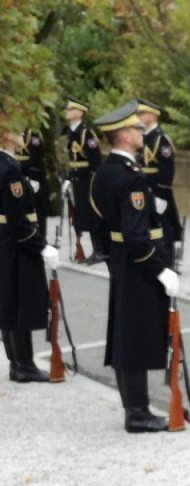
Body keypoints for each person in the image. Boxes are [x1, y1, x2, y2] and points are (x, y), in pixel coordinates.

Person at [90, 100, 181, 432]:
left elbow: (98, 222)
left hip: (120, 261)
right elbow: (136, 236)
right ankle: (138, 414)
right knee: (136, 335)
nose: (142, 131)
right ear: (124, 135)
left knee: (125, 333)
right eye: (136, 128)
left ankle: (134, 408)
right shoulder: (131, 178)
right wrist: (160, 269)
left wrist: (111, 256)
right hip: (139, 264)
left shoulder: (104, 172)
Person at [1, 124, 60, 382]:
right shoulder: (10, 169)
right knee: (19, 303)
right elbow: (18, 221)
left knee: (8, 302)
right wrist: (41, 246)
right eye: (16, 129)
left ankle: (16, 363)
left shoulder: (6, 163)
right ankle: (24, 364)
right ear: (5, 134)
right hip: (17, 244)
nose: (22, 134)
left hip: (5, 241)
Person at [136, 99, 183, 250]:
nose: (138, 117)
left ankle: (168, 254)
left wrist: (162, 194)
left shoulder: (161, 139)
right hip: (144, 187)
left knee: (164, 224)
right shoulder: (141, 137)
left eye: (142, 113)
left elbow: (167, 169)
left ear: (153, 115)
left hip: (158, 188)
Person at [63, 97, 104, 264]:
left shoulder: (86, 134)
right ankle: (89, 250)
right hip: (77, 179)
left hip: (87, 179)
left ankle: (100, 250)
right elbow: (72, 160)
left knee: (93, 213)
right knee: (81, 214)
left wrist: (96, 181)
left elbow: (96, 160)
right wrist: (68, 179)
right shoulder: (72, 132)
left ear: (80, 113)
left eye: (70, 109)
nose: (67, 112)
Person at [17, 128, 50, 233]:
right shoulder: (11, 131)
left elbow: (36, 157)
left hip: (33, 175)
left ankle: (39, 234)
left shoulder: (33, 134)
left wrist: (29, 174)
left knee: (37, 208)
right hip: (16, 174)